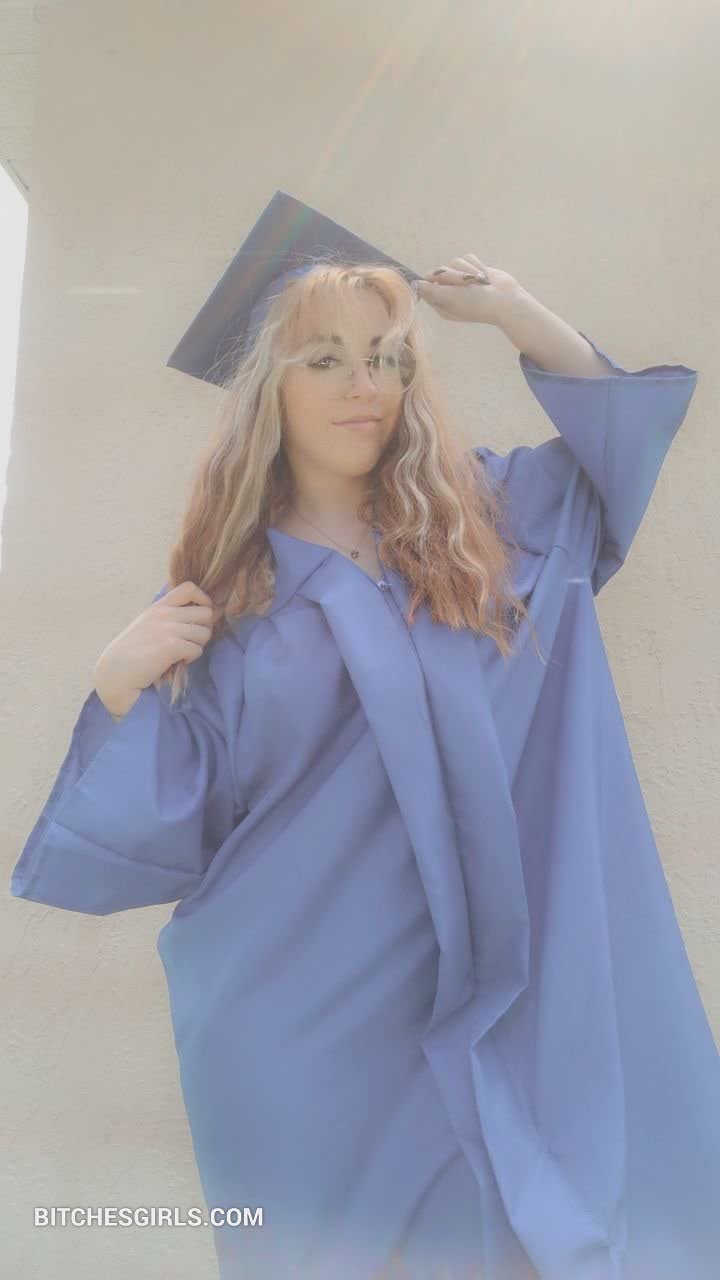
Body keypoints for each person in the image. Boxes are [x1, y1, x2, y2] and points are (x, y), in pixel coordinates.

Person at [10, 191, 719, 1280]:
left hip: (505, 989)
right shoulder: (231, 599)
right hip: (306, 1015)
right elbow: (170, 823)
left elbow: (612, 454)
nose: (364, 386)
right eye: (326, 359)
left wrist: (517, 312)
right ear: (269, 386)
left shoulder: (486, 527)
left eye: (387, 359)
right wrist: (116, 688)